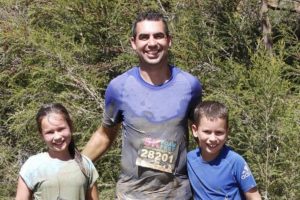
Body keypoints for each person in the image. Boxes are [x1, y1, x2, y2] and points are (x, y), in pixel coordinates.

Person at [82, 11, 202, 199]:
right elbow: (105, 134)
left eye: (158, 36)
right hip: (131, 195)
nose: (152, 43)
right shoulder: (119, 87)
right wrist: (74, 166)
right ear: (133, 43)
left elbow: (202, 136)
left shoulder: (189, 85)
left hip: (178, 194)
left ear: (169, 40)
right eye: (144, 37)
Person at [15, 103, 99, 200]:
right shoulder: (33, 166)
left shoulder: (85, 164)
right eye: (50, 132)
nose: (57, 137)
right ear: (41, 135)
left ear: (70, 127)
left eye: (61, 129)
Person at [187, 100, 262, 200]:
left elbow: (254, 196)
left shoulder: (235, 162)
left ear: (227, 132)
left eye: (219, 132)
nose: (213, 138)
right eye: (207, 132)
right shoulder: (189, 160)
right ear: (195, 130)